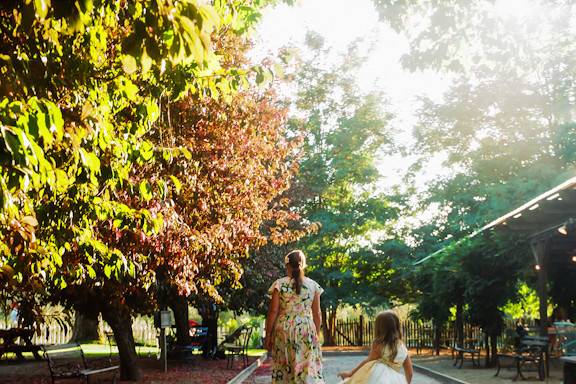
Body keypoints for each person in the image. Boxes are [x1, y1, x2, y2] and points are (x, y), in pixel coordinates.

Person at [265, 250, 324, 383]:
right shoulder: (313, 286)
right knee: (306, 369)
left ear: (287, 266)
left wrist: (268, 334)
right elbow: (317, 313)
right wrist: (317, 333)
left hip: (283, 330)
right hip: (306, 329)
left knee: (284, 367)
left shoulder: (279, 284)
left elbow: (273, 311)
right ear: (303, 265)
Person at [338, 311, 413, 384]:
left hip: (376, 378)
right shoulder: (403, 347)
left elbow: (367, 361)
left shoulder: (379, 344)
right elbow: (409, 372)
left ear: (379, 328)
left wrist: (350, 374)